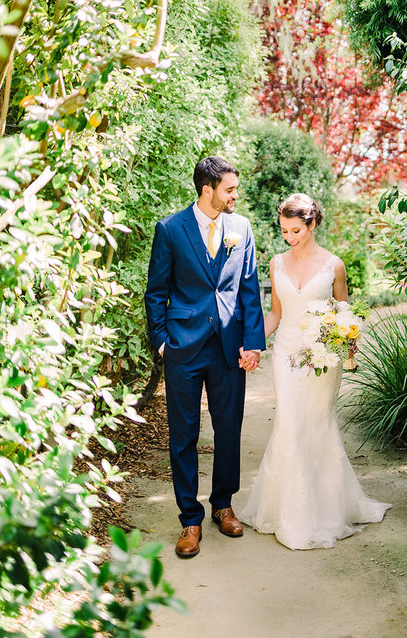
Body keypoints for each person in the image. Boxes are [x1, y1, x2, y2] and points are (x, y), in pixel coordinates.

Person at [240, 193, 391, 549]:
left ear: (312, 224)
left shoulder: (333, 265)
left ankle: (326, 510)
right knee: (290, 425)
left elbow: (344, 313)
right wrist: (252, 342)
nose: (290, 237)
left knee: (318, 425)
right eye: (285, 232)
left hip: (323, 359)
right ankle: (290, 515)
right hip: (287, 355)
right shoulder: (277, 263)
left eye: (296, 230)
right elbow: (276, 313)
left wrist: (345, 342)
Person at [145, 156, 266, 558]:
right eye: (230, 189)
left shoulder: (242, 228)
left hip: (230, 346)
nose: (236, 195)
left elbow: (249, 287)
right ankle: (189, 519)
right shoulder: (170, 229)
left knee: (229, 428)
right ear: (207, 190)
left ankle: (223, 505)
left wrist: (253, 342)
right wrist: (162, 341)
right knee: (183, 434)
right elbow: (155, 291)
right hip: (184, 345)